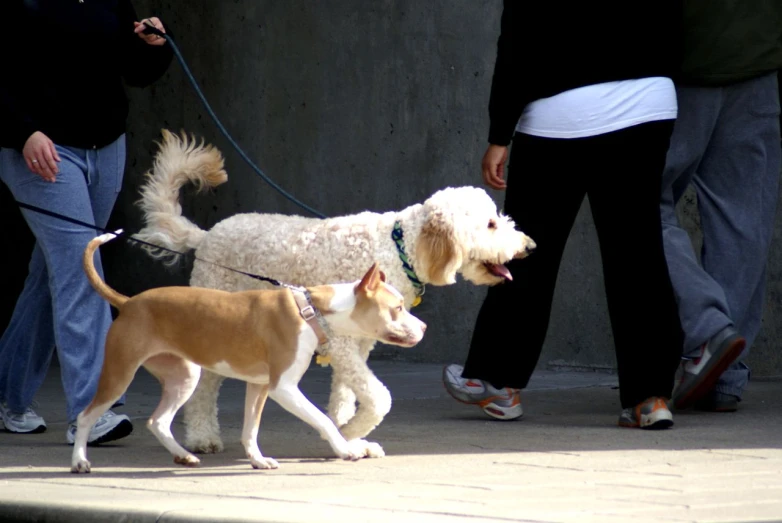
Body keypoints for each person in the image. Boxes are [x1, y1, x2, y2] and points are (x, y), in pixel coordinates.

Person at [443, 1, 688, 429]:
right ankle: (650, 399)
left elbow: (518, 40)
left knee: (526, 250)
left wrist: (500, 134)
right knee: (638, 253)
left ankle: (498, 383)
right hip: (648, 100)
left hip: (563, 111)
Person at [0, 0, 173, 444]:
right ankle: (90, 409)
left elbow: (132, 69)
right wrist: (22, 132)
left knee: (51, 273)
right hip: (42, 153)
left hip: (105, 148)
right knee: (84, 266)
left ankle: (7, 396)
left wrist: (153, 44)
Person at [660, 3, 782, 413]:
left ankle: (709, 332)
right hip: (757, 57)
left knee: (633, 206)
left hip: (680, 66)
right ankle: (725, 377)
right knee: (743, 219)